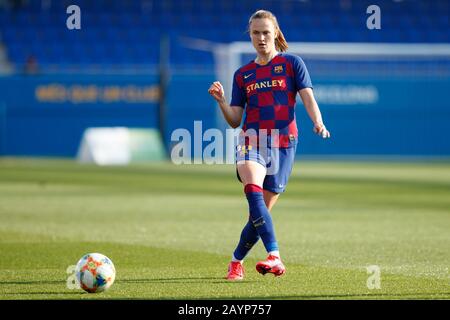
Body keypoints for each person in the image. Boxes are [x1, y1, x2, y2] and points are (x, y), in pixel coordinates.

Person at [208, 9, 330, 281]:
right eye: (255, 33)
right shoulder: (243, 75)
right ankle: (274, 255)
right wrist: (221, 101)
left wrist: (318, 122)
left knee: (258, 214)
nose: (261, 38)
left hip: (285, 144)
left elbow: (308, 98)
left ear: (275, 33)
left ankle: (235, 261)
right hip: (252, 140)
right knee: (252, 191)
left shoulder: (292, 64)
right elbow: (234, 120)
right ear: (250, 36)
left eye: (265, 32)